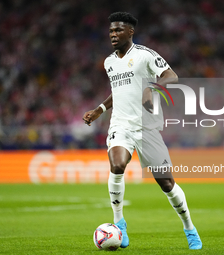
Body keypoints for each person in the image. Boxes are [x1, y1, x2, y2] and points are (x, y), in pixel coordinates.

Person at [82, 12, 202, 250]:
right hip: (120, 124)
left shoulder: (145, 55)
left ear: (130, 32)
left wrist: (152, 89)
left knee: (167, 184)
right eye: (111, 31)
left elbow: (171, 76)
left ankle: (189, 227)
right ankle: (120, 223)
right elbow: (119, 91)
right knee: (117, 166)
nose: (113, 35)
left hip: (147, 127)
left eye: (118, 30)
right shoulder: (109, 62)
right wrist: (100, 109)